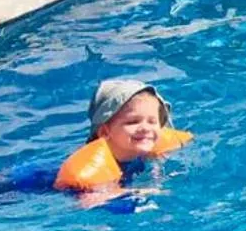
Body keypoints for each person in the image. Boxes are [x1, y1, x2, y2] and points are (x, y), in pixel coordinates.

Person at [54, 79, 192, 196]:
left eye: (152, 121)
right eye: (133, 122)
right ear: (104, 131)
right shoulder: (90, 171)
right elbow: (91, 201)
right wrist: (140, 193)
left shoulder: (150, 144)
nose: (145, 128)